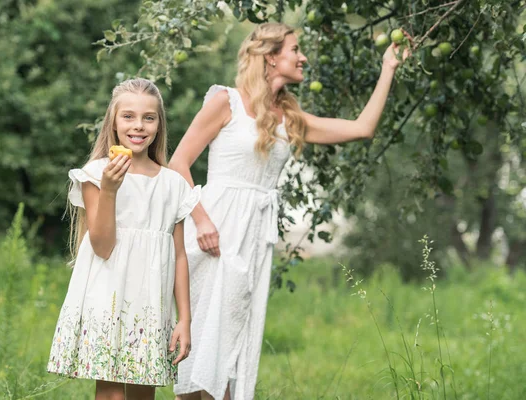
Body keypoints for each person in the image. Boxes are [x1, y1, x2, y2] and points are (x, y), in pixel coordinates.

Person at [169, 23, 410, 400]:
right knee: (199, 344)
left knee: (231, 341)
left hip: (253, 234)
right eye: (295, 49)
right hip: (213, 228)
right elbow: (178, 163)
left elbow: (363, 128)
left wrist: (388, 69)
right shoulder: (225, 102)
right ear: (270, 57)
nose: (303, 58)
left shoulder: (290, 118)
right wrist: (201, 220)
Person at [47, 78, 201, 400]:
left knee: (143, 395)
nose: (138, 126)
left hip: (150, 306)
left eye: (149, 117)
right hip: (108, 297)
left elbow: (180, 255)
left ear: (159, 125)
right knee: (113, 396)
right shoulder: (96, 173)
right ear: (113, 123)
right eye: (128, 116)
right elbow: (102, 246)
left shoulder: (172, 185)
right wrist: (110, 190)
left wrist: (184, 319)